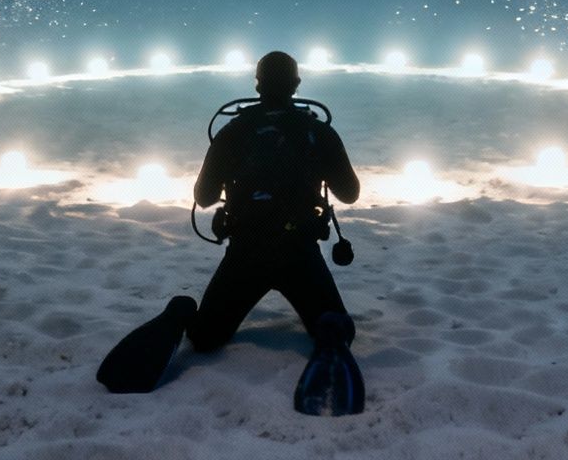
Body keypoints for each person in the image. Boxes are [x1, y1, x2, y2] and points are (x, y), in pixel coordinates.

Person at [95, 50, 366, 415]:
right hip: (300, 254)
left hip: (245, 254)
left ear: (257, 85)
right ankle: (329, 333)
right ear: (297, 85)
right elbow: (350, 193)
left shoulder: (233, 132)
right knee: (334, 329)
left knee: (205, 338)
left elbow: (203, 197)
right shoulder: (318, 131)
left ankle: (180, 311)